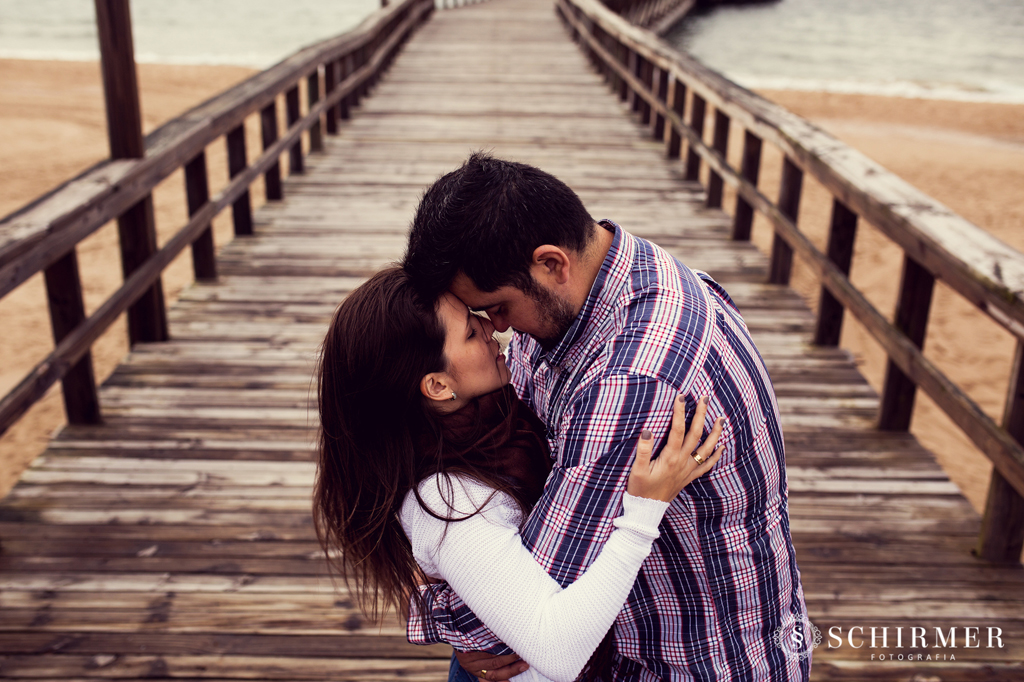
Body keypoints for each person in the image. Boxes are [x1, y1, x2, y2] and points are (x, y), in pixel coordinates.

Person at [402, 153, 811, 681]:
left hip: (690, 661)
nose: (497, 329)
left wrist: (434, 603)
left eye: (498, 307)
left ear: (552, 264)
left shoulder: (634, 379)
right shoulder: (606, 282)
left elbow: (529, 617)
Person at [313, 266, 725, 682]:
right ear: (437, 386)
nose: (491, 328)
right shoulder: (449, 500)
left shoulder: (490, 426)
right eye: (470, 333)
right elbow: (558, 651)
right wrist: (643, 511)